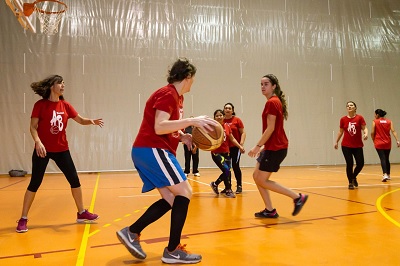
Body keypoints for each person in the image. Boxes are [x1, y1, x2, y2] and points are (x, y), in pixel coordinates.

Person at [116, 58, 219, 264]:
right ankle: (172, 251)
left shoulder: (177, 98)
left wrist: (182, 136)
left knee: (172, 200)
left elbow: (167, 126)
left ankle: (132, 232)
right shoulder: (168, 94)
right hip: (152, 149)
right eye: (193, 79)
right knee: (185, 192)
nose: (193, 83)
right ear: (187, 77)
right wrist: (191, 121)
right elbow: (159, 126)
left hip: (148, 150)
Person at [16, 75, 103, 233]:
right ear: (51, 86)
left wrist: (90, 121)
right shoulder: (40, 105)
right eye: (60, 83)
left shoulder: (66, 105)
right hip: (42, 150)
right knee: (35, 183)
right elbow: (33, 127)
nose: (63, 85)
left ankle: (81, 212)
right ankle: (23, 218)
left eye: (64, 83)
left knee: (74, 180)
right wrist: (38, 142)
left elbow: (80, 120)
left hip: (62, 149)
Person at [248, 74, 308, 218]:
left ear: (274, 86)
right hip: (271, 146)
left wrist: (257, 146)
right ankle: (270, 210)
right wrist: (264, 146)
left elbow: (271, 128)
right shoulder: (274, 101)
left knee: (261, 179)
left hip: (276, 148)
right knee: (257, 176)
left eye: (266, 84)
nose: (263, 87)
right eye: (261, 84)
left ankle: (297, 197)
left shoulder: (272, 102)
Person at [210, 109, 245, 198]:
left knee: (227, 171)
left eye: (220, 115)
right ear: (214, 118)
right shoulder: (212, 127)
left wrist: (240, 146)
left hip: (226, 152)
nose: (219, 117)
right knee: (226, 170)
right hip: (216, 153)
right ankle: (228, 190)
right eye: (217, 116)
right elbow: (205, 138)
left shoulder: (226, 126)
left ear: (223, 116)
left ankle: (216, 184)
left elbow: (232, 138)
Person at [334, 101, 368, 189]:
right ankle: (350, 182)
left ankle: (353, 177)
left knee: (360, 163)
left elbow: (364, 128)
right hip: (346, 145)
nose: (349, 107)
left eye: (351, 105)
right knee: (349, 163)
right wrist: (336, 141)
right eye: (348, 106)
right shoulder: (343, 119)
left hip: (357, 145)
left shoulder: (359, 118)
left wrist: (366, 133)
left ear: (355, 108)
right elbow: (340, 131)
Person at [371, 109, 400, 182]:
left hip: (378, 142)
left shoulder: (375, 121)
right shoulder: (389, 121)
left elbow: (372, 132)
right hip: (388, 142)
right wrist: (397, 140)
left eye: (375, 114)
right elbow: (393, 131)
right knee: (387, 158)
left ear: (377, 114)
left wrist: (373, 140)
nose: (374, 116)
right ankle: (389, 174)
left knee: (382, 158)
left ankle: (385, 174)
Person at [223, 103, 246, 194]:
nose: (227, 110)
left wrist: (241, 144)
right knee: (226, 168)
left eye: (229, 108)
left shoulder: (237, 120)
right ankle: (228, 187)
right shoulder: (221, 121)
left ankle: (239, 185)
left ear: (232, 110)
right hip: (225, 148)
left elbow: (243, 133)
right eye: (226, 108)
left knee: (236, 166)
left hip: (235, 148)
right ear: (224, 110)